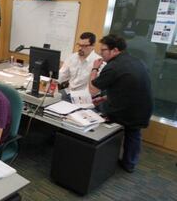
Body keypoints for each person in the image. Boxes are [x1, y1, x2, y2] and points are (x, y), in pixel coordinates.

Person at [88, 34, 153, 173]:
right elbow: (127, 88)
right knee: (133, 132)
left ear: (115, 50)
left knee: (91, 111)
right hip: (143, 109)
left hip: (125, 110)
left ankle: (99, 155)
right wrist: (106, 97)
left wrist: (94, 69)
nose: (100, 53)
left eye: (103, 50)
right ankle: (129, 164)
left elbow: (93, 89)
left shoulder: (113, 66)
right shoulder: (136, 61)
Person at [58, 32, 104, 98]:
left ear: (93, 46)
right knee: (49, 100)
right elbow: (62, 75)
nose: (80, 48)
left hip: (85, 96)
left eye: (84, 46)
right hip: (69, 91)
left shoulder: (99, 62)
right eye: (79, 45)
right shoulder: (72, 57)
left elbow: (96, 90)